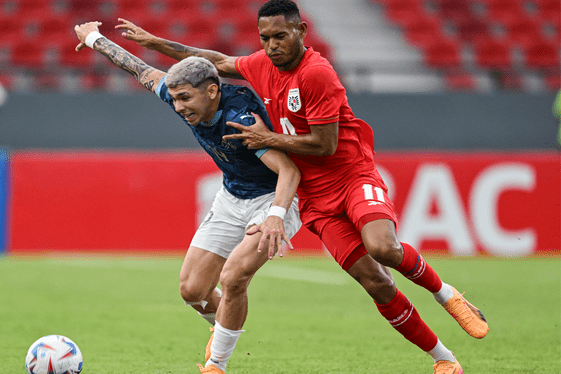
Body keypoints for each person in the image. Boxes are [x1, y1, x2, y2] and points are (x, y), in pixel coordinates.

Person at [116, 1, 489, 373]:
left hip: (351, 176)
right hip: (314, 197)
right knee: (375, 282)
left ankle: (447, 296)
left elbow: (324, 145)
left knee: (382, 247)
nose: (272, 45)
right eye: (265, 38)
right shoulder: (262, 64)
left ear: (301, 31)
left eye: (280, 35)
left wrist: (268, 138)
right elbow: (212, 59)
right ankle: (444, 359)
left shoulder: (316, 74)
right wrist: (154, 42)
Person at [73, 21, 302, 374]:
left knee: (234, 276)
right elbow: (138, 68)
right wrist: (93, 38)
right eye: (175, 98)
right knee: (192, 290)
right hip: (232, 195)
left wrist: (275, 215)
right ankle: (222, 323)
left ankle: (216, 366)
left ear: (212, 91)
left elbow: (289, 171)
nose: (179, 107)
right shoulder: (178, 94)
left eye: (185, 98)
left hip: (271, 198)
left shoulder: (238, 119)